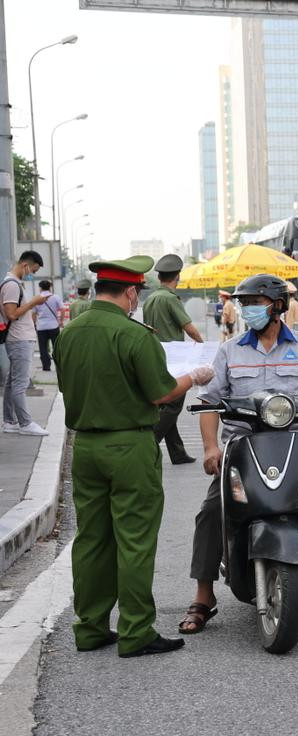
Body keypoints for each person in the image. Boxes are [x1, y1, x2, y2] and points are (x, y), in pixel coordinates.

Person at [181, 273, 298, 632]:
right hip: (242, 444)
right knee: (212, 510)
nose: (248, 310)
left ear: (278, 306)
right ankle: (203, 595)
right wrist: (210, 447)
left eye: (255, 303)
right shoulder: (231, 350)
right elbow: (209, 402)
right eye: (245, 304)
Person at [55, 255, 214, 657]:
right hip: (129, 447)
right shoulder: (134, 335)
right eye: (135, 296)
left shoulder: (69, 332)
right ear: (129, 292)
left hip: (85, 447)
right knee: (134, 541)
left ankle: (90, 628)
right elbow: (160, 391)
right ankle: (136, 631)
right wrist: (194, 377)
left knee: (91, 540)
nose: (135, 303)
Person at [143, 254, 205, 466]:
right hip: (175, 357)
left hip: (155, 353)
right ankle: (149, 443)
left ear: (159, 277)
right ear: (177, 277)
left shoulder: (150, 298)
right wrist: (203, 346)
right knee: (173, 405)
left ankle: (177, 453)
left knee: (168, 404)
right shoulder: (170, 298)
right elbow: (188, 327)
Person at [2, 250, 51, 436]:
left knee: (11, 383)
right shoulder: (12, 285)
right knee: (20, 384)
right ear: (25, 265)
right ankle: (25, 423)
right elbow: (11, 314)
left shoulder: (13, 283)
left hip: (19, 338)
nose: (33, 274)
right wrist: (33, 302)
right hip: (19, 339)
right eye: (33, 270)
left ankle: (9, 421)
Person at [34, 279, 64, 372]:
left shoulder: (37, 298)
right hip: (53, 326)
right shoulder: (55, 297)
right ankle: (59, 366)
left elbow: (33, 314)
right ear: (50, 287)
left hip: (41, 327)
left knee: (43, 347)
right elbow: (62, 309)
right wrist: (61, 321)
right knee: (56, 347)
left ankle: (46, 367)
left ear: (40, 288)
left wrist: (34, 325)